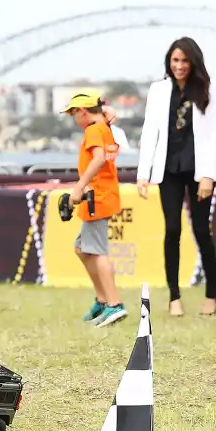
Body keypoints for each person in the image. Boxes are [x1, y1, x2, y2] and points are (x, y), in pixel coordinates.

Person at [136, 37, 216, 317]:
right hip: (169, 169)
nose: (179, 66)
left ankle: (212, 294)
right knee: (172, 229)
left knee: (201, 231)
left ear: (194, 62)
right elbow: (149, 131)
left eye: (184, 61)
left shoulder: (209, 88)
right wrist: (143, 174)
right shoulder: (159, 90)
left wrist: (207, 176)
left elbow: (215, 134)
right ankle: (174, 296)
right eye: (175, 60)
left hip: (199, 168)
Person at [62, 90, 127, 328]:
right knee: (82, 248)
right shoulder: (103, 126)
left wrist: (78, 187)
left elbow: (98, 158)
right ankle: (102, 300)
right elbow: (107, 115)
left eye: (73, 114)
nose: (74, 120)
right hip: (103, 195)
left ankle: (114, 304)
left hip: (95, 197)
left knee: (97, 252)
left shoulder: (93, 130)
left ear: (82, 111)